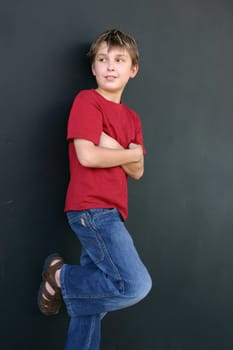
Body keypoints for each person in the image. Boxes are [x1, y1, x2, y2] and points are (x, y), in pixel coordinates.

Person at [38, 28, 152, 350]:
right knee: (134, 284)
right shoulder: (87, 101)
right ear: (93, 67)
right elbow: (88, 154)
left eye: (119, 60)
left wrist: (115, 147)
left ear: (133, 69)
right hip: (92, 210)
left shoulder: (132, 118)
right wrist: (129, 152)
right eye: (102, 59)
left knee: (91, 306)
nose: (110, 66)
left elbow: (139, 170)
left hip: (112, 212)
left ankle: (62, 284)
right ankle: (59, 277)